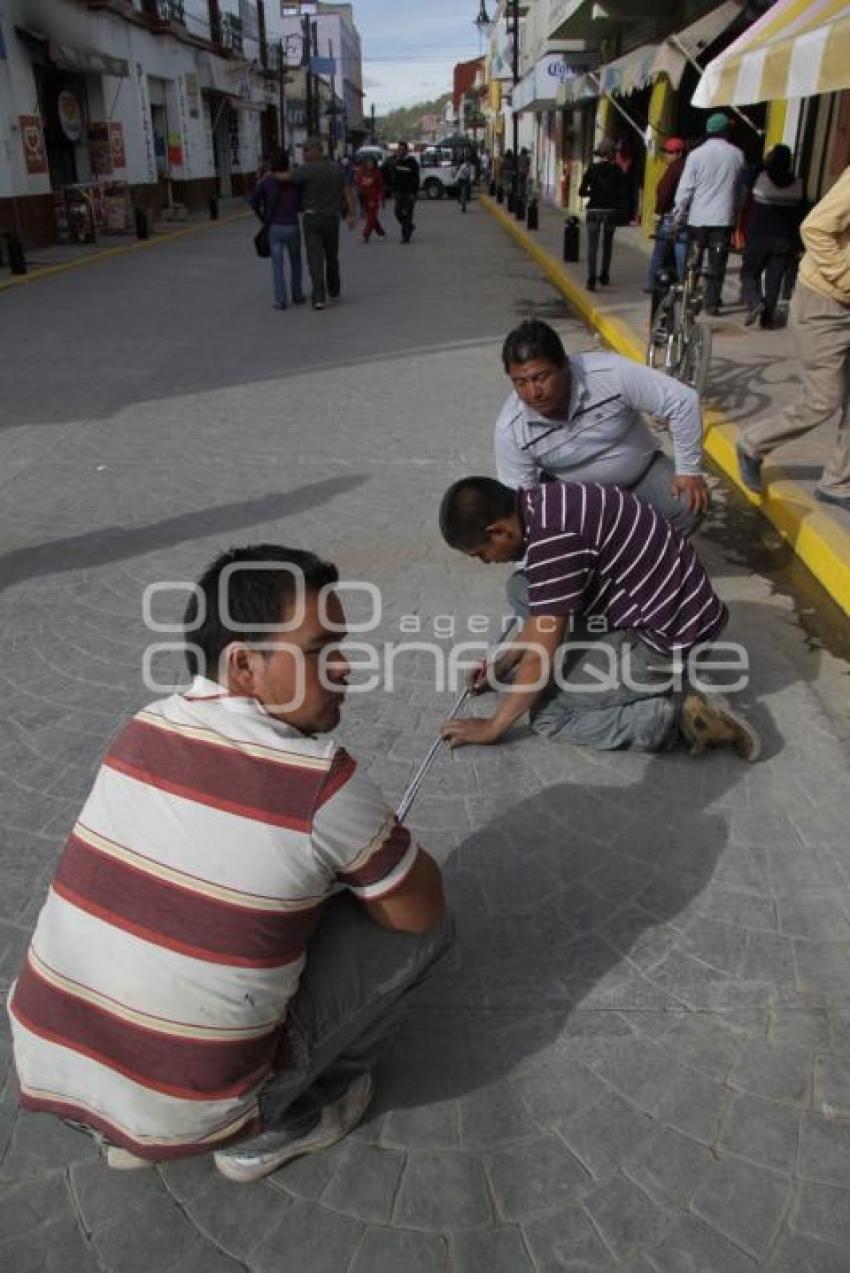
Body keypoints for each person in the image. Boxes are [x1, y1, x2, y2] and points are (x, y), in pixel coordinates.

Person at [8, 545, 451, 1182]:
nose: (346, 668)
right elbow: (421, 910)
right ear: (244, 665)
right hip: (196, 1108)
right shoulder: (321, 783)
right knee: (425, 924)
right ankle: (279, 1123)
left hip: (47, 1063)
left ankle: (125, 1125)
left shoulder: (144, 726)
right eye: (320, 650)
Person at [438, 478, 760, 759]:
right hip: (678, 608)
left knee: (549, 715)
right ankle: (636, 672)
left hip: (668, 641)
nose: (484, 562)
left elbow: (538, 661)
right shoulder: (545, 502)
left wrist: (494, 726)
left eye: (480, 553)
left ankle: (679, 716)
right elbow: (543, 613)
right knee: (522, 587)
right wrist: (505, 663)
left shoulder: (554, 542)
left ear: (497, 531)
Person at [494, 319, 710, 538]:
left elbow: (683, 401)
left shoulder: (610, 373)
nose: (533, 392)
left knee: (687, 503)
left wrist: (688, 471)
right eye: (520, 382)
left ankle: (650, 559)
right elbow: (521, 506)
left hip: (642, 476)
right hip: (577, 502)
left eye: (541, 377)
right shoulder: (511, 429)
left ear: (564, 365)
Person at [737, 165, 850, 511]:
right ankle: (753, 443)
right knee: (823, 399)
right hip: (824, 301)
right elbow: (814, 229)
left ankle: (838, 482)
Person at [673, 113, 745, 315]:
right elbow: (740, 190)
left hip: (698, 219)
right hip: (723, 220)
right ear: (726, 131)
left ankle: (689, 298)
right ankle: (712, 303)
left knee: (693, 262)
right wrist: (736, 211)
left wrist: (678, 213)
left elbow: (685, 188)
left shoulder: (696, 155)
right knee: (717, 264)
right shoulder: (737, 154)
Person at [283, 136, 357, 310]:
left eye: (307, 150)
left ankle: (319, 297)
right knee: (332, 255)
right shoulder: (336, 168)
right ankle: (334, 289)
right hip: (332, 219)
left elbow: (287, 177)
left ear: (316, 150)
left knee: (315, 259)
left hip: (313, 219)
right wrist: (351, 214)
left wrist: (272, 174)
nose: (305, 153)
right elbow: (347, 191)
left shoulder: (307, 169)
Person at [740, 144, 805, 328]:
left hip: (759, 237)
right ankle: (767, 319)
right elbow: (801, 214)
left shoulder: (761, 179)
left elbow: (745, 176)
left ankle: (755, 302)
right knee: (774, 280)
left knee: (749, 274)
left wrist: (764, 164)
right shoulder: (798, 185)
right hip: (784, 239)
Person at [249, 148, 305, 310]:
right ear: (287, 163)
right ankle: (297, 294)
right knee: (296, 262)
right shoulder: (295, 181)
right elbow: (301, 201)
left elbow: (253, 201)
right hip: (292, 225)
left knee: (277, 265)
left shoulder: (266, 182)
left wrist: (263, 219)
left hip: (274, 227)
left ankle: (281, 300)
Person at [579, 138, 629, 291]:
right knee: (607, 244)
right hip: (610, 212)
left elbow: (581, 191)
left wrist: (592, 192)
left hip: (594, 211)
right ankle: (605, 274)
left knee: (592, 246)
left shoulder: (592, 169)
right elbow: (622, 193)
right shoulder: (618, 170)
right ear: (611, 154)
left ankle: (591, 279)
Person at [645, 137, 688, 292]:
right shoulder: (688, 167)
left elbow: (664, 192)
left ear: (679, 153)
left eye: (670, 152)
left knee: (660, 251)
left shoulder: (674, 169)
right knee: (681, 250)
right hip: (686, 215)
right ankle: (682, 284)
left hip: (670, 215)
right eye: (665, 152)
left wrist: (658, 212)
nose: (666, 155)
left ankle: (652, 284)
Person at [392, 141, 420, 244]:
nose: (401, 151)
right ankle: (410, 226)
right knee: (398, 213)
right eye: (399, 149)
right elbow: (395, 178)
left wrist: (414, 193)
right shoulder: (397, 162)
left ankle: (405, 237)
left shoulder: (412, 162)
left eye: (403, 149)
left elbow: (416, 178)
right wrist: (394, 190)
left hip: (409, 193)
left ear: (406, 150)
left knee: (407, 214)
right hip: (399, 193)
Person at [356, 155, 386, 242]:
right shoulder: (361, 172)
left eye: (371, 164)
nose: (370, 165)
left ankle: (366, 234)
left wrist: (382, 200)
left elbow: (381, 187)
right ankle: (380, 231)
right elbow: (358, 184)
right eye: (368, 164)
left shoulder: (377, 173)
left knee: (371, 217)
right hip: (364, 198)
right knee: (372, 217)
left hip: (373, 198)